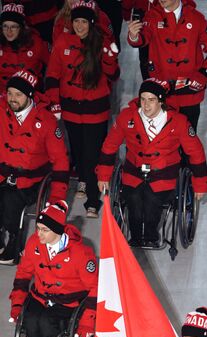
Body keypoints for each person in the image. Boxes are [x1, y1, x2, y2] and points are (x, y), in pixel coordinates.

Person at [96, 79, 207, 247]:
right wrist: (103, 176)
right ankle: (135, 236)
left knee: (152, 199)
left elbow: (196, 152)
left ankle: (149, 236)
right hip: (133, 172)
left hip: (164, 175)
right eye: (143, 99)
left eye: (151, 100)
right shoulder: (127, 117)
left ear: (161, 101)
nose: (146, 105)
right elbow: (110, 145)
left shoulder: (178, 122)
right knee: (133, 198)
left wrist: (200, 184)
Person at [9, 200, 98, 337]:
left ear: (57, 230)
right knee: (30, 321)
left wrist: (87, 321)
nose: (38, 234)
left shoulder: (82, 253)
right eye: (38, 228)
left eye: (44, 230)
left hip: (68, 302)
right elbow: (23, 275)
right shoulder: (34, 243)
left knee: (48, 325)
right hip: (40, 296)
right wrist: (17, 303)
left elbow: (95, 287)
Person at [45, 0, 120, 218]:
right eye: (76, 21)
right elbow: (52, 75)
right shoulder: (62, 42)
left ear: (91, 23)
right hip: (70, 109)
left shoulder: (101, 42)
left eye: (83, 22)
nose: (79, 26)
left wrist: (110, 57)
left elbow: (113, 75)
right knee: (78, 150)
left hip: (95, 109)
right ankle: (85, 181)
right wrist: (54, 102)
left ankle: (93, 201)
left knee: (93, 153)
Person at [0, 70, 69, 264]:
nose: (12, 99)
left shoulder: (46, 121)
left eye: (18, 95)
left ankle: (14, 242)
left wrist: (57, 199)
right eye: (10, 93)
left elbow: (61, 160)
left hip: (31, 181)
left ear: (29, 96)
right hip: (3, 174)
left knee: (11, 200)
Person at [127, 0, 207, 131]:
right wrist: (133, 36)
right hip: (162, 94)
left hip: (190, 94)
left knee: (188, 141)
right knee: (163, 144)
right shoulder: (152, 17)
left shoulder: (197, 18)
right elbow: (142, 38)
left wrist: (203, 75)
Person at [0, 3, 49, 93]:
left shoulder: (36, 43)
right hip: (2, 95)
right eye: (5, 26)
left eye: (13, 26)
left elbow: (54, 67)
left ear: (21, 27)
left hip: (30, 96)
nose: (9, 31)